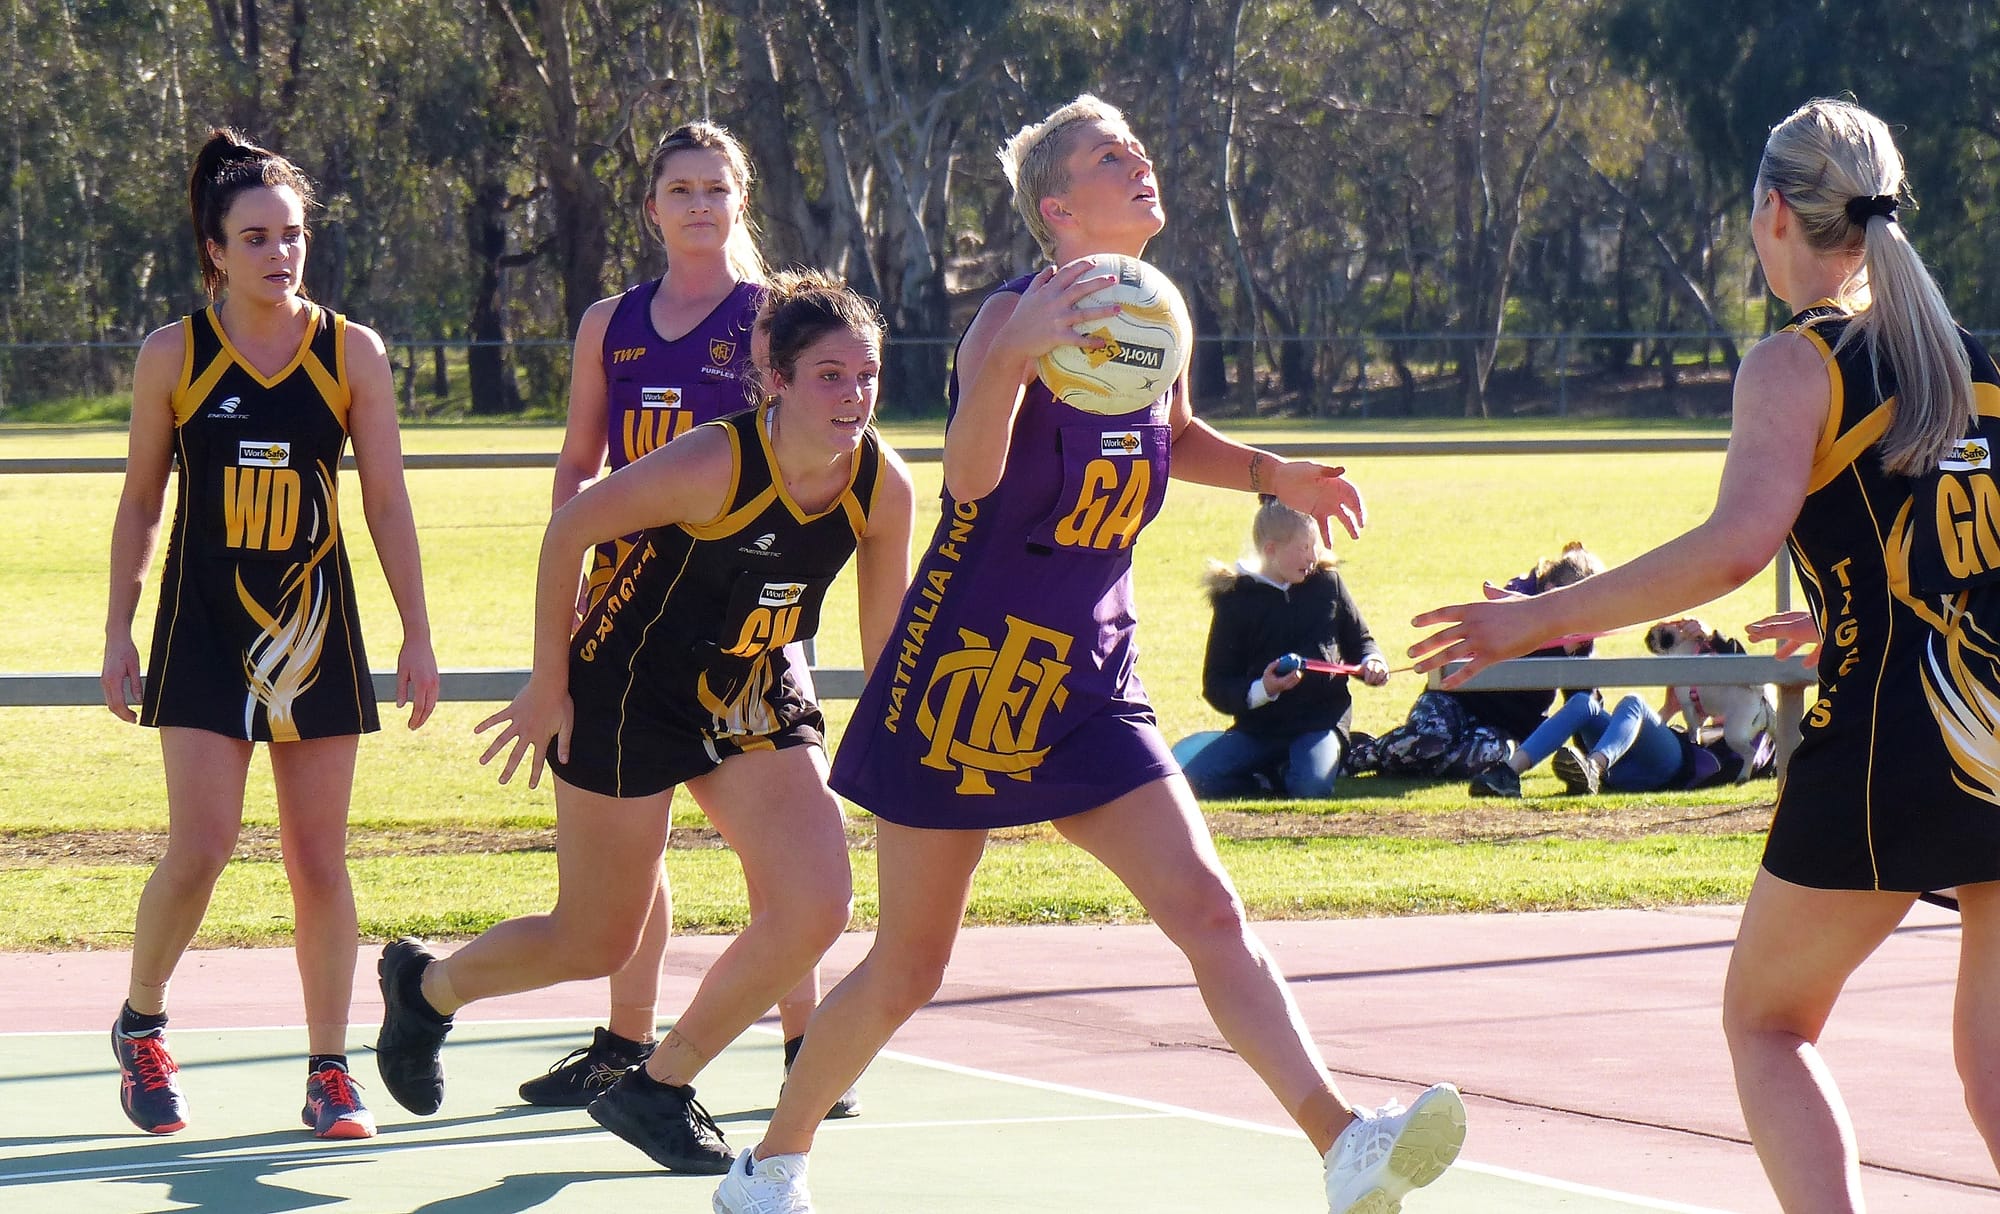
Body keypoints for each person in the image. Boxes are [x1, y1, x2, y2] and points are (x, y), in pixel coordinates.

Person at [713, 94, 1464, 1214]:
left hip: (1090, 671)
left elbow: (1176, 435)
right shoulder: (1005, 321)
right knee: (912, 961)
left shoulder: (1153, 314)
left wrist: (1277, 474)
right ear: (1060, 208)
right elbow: (968, 480)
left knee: (1208, 910)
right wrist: (1009, 365)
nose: (1143, 163)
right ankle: (770, 1164)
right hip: (968, 669)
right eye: (1115, 156)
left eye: (1139, 149)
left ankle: (1344, 1142)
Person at [1411, 98, 2000, 1209]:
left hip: (1894, 742)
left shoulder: (1794, 361)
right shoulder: (1969, 364)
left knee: (1766, 1023)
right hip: (1991, 729)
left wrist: (1530, 619)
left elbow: (1733, 548)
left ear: (1770, 212)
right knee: (1992, 1069)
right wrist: (1845, 617)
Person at [372, 273, 914, 1176]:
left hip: (750, 686)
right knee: (596, 939)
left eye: (866, 376)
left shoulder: (880, 486)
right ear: (775, 380)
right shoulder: (713, 461)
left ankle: (659, 1086)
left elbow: (886, 640)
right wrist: (549, 682)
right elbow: (569, 532)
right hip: (628, 688)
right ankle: (425, 991)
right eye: (829, 375)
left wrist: (906, 747)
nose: (853, 395)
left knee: (818, 904)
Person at [101, 128, 440, 1141]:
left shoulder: (351, 352)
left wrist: (417, 631)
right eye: (255, 237)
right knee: (200, 847)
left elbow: (385, 500)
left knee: (317, 858)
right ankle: (142, 1020)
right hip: (204, 625)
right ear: (216, 249)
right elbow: (140, 504)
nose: (278, 253)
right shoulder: (176, 353)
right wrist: (117, 627)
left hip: (313, 627)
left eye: (291, 234)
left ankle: (330, 1070)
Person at [524, 121, 854, 1119]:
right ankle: (622, 1045)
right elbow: (580, 461)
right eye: (679, 188)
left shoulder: (773, 319)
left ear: (739, 198)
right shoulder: (609, 323)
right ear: (652, 206)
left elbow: (824, 454)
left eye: (716, 186)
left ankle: (804, 1043)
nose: (699, 204)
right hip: (629, 616)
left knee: (779, 844)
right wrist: (574, 570)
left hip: (742, 611)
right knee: (633, 835)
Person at [1182, 497, 1388, 799]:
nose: (1312, 557)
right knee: (1193, 782)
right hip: (1258, 730)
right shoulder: (1235, 599)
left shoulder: (1327, 583)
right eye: (1303, 548)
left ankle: (1307, 764)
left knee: (1310, 788)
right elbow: (1217, 683)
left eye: (1314, 546)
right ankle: (1266, 779)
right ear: (1271, 550)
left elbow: (1361, 641)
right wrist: (1263, 689)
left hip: (1319, 723)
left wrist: (1373, 661)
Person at [1349, 542, 1602, 779]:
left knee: (1480, 758)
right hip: (1455, 701)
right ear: (1549, 590)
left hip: (1506, 730)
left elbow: (1582, 702)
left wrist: (1594, 759)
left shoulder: (1579, 640)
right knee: (1428, 741)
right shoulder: (1512, 607)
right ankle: (1358, 755)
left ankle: (1407, 761)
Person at [1466, 690, 1751, 797]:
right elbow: (1664, 721)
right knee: (1581, 704)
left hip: (1677, 763)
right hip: (1630, 762)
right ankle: (1507, 774)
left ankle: (1593, 767)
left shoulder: (1758, 725)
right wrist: (1670, 708)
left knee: (1633, 702)